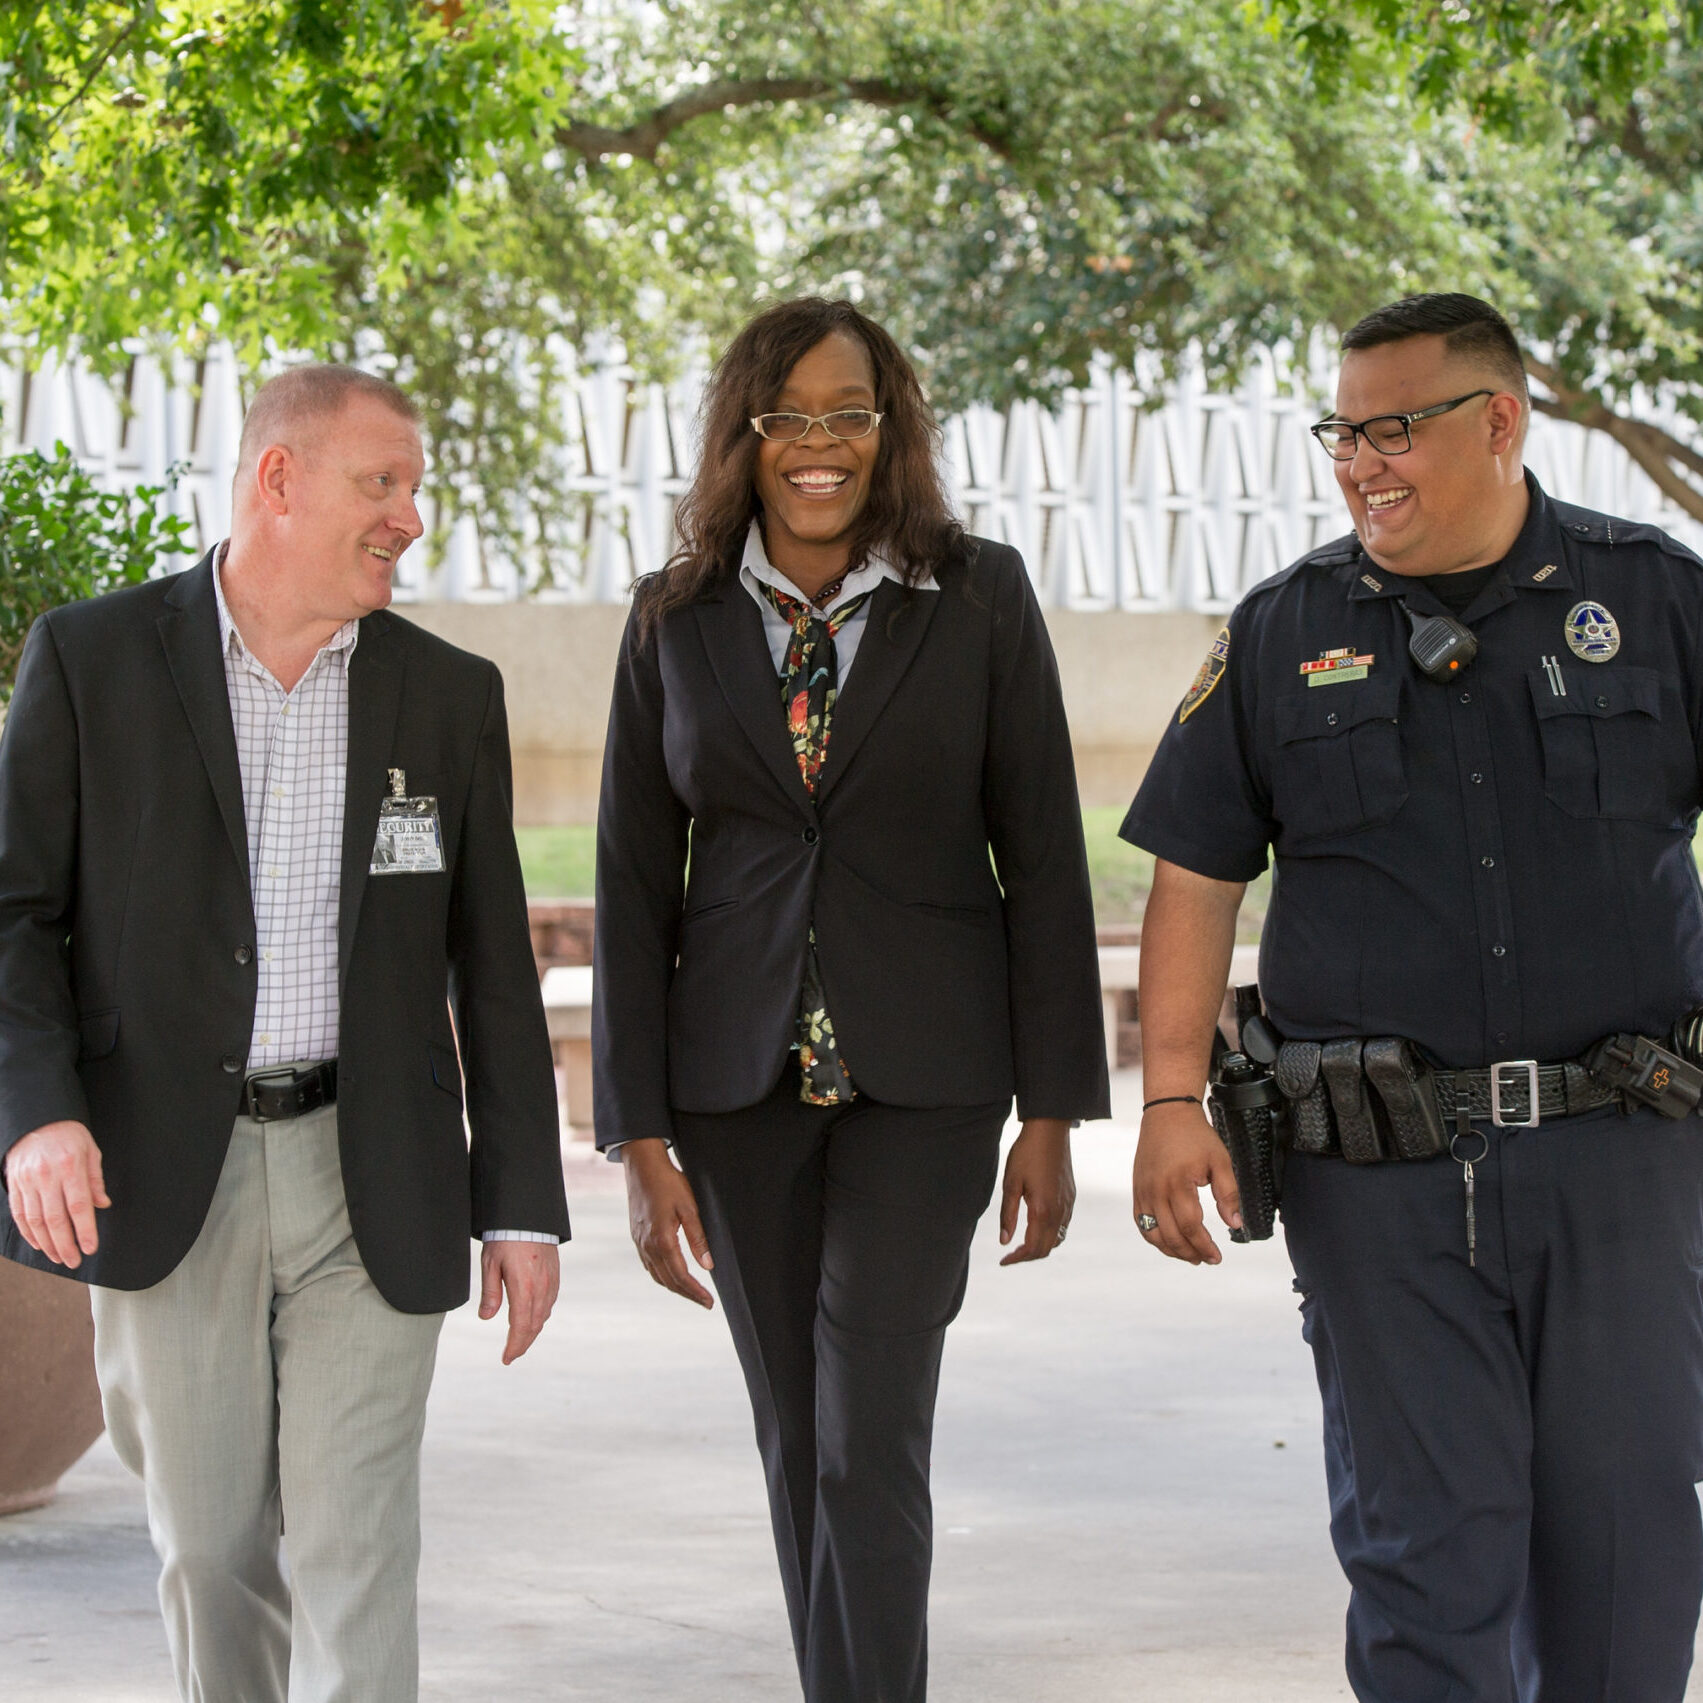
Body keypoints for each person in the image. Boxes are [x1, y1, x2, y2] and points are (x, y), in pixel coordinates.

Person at [1120, 290, 1703, 1701]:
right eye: (1342, 433)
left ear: (1499, 423)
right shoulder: (1284, 629)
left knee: (1625, 1561)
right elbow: (1196, 875)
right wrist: (1171, 1098)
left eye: (1393, 430)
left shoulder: (1656, 597)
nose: (1360, 463)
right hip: (1382, 1187)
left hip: (1626, 1167)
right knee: (1423, 1559)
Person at [0, 365, 570, 1703]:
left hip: (371, 1168)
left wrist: (522, 1206)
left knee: (354, 1548)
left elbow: (493, 966)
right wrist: (36, 1114)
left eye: (414, 489)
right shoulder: (90, 660)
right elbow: (14, 913)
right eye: (383, 484)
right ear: (278, 481)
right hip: (164, 1168)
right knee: (209, 1552)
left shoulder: (448, 695)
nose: (410, 517)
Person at [593, 296, 1109, 1702]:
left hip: (927, 1082)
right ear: (744, 434)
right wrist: (640, 1140)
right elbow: (631, 888)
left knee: (868, 1433)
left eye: (849, 415)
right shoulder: (674, 617)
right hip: (734, 1086)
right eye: (788, 417)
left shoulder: (981, 596)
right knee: (794, 1433)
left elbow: (1045, 859)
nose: (818, 444)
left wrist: (1054, 1113)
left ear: (891, 432)